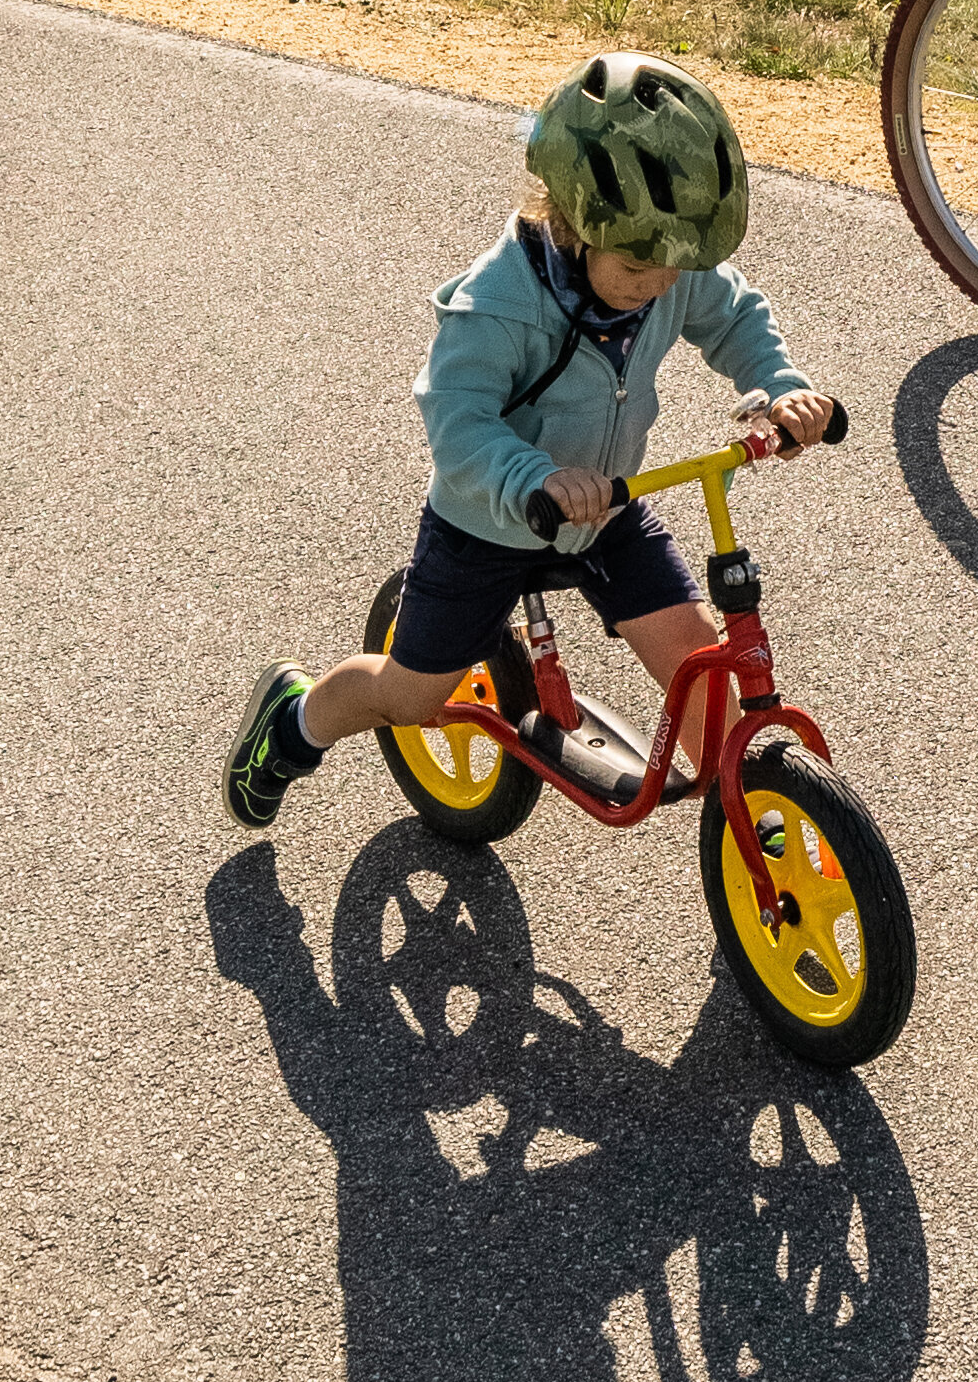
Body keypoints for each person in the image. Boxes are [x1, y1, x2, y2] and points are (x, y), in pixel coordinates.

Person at [226, 56, 835, 826]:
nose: (656, 284)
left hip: (609, 507)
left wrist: (781, 386)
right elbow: (458, 421)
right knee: (411, 694)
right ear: (571, 220)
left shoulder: (668, 264)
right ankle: (295, 720)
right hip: (488, 522)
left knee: (696, 655)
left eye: (674, 266)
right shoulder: (498, 305)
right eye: (637, 266)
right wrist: (531, 477)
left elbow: (735, 315)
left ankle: (753, 828)